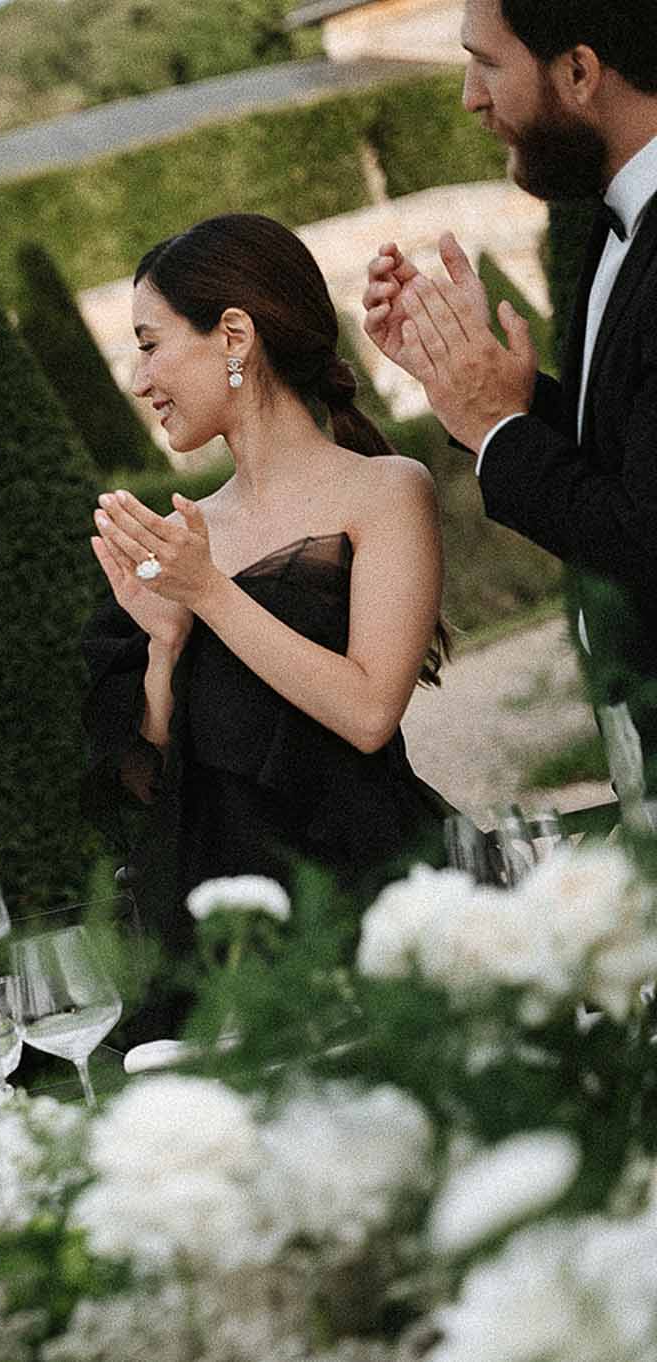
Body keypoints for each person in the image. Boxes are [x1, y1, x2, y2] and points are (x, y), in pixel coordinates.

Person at [83, 214, 451, 1037]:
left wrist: (210, 594)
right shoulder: (179, 536)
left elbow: (367, 713)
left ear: (234, 336)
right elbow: (152, 777)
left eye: (149, 345)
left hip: (359, 891)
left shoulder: (385, 491)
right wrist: (163, 645)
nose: (141, 381)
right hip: (214, 928)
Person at [361, 0, 657, 775]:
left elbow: (641, 536)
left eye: (487, 62)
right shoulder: (618, 225)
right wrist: (483, 388)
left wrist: (501, 427)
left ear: (581, 71)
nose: (469, 96)